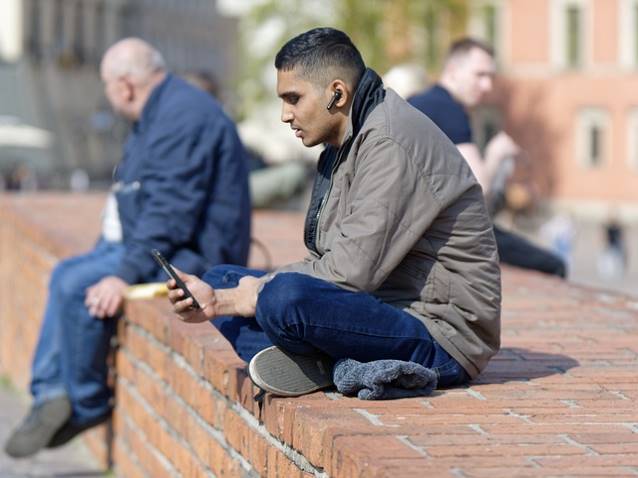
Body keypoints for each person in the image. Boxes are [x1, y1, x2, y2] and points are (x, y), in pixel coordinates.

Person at [166, 27, 501, 398]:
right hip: (381, 309)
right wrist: (228, 293)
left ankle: (329, 365)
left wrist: (239, 299)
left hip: (442, 338)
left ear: (336, 94)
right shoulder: (344, 138)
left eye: (293, 99)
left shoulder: (390, 141)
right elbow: (327, 260)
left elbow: (348, 274)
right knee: (222, 277)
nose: (284, 115)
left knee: (280, 298)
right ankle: (329, 365)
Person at [5, 38, 251, 458]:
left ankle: (85, 403)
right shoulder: (163, 110)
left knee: (80, 285)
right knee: (66, 273)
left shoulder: (181, 117)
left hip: (194, 255)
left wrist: (123, 275)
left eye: (106, 85)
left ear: (124, 86)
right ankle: (49, 394)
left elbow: (169, 212)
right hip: (158, 243)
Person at [409, 38, 566, 278]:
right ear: (453, 70)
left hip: (414, 229)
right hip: (439, 233)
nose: (487, 86)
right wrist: (495, 154)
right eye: (479, 75)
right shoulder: (448, 109)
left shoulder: (418, 102)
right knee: (554, 265)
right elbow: (478, 190)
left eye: (490, 77)